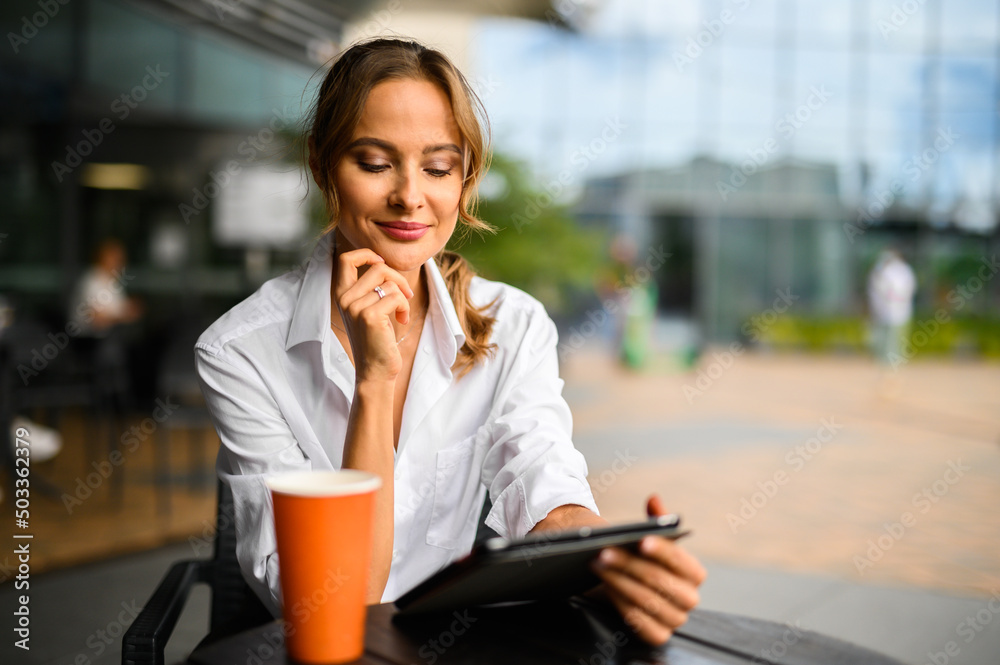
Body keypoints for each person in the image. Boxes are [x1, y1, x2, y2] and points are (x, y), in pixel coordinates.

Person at [195, 38, 705, 645]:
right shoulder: (239, 352)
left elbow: (543, 482)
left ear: (464, 181)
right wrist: (374, 383)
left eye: (438, 168)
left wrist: (613, 565)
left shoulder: (514, 326)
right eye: (375, 163)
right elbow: (336, 605)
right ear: (322, 165)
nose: (410, 196)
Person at [867, 248, 916, 368]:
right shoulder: (883, 271)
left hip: (896, 313)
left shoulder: (899, 270)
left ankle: (891, 368)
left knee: (894, 343)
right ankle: (887, 367)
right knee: (885, 342)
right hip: (885, 313)